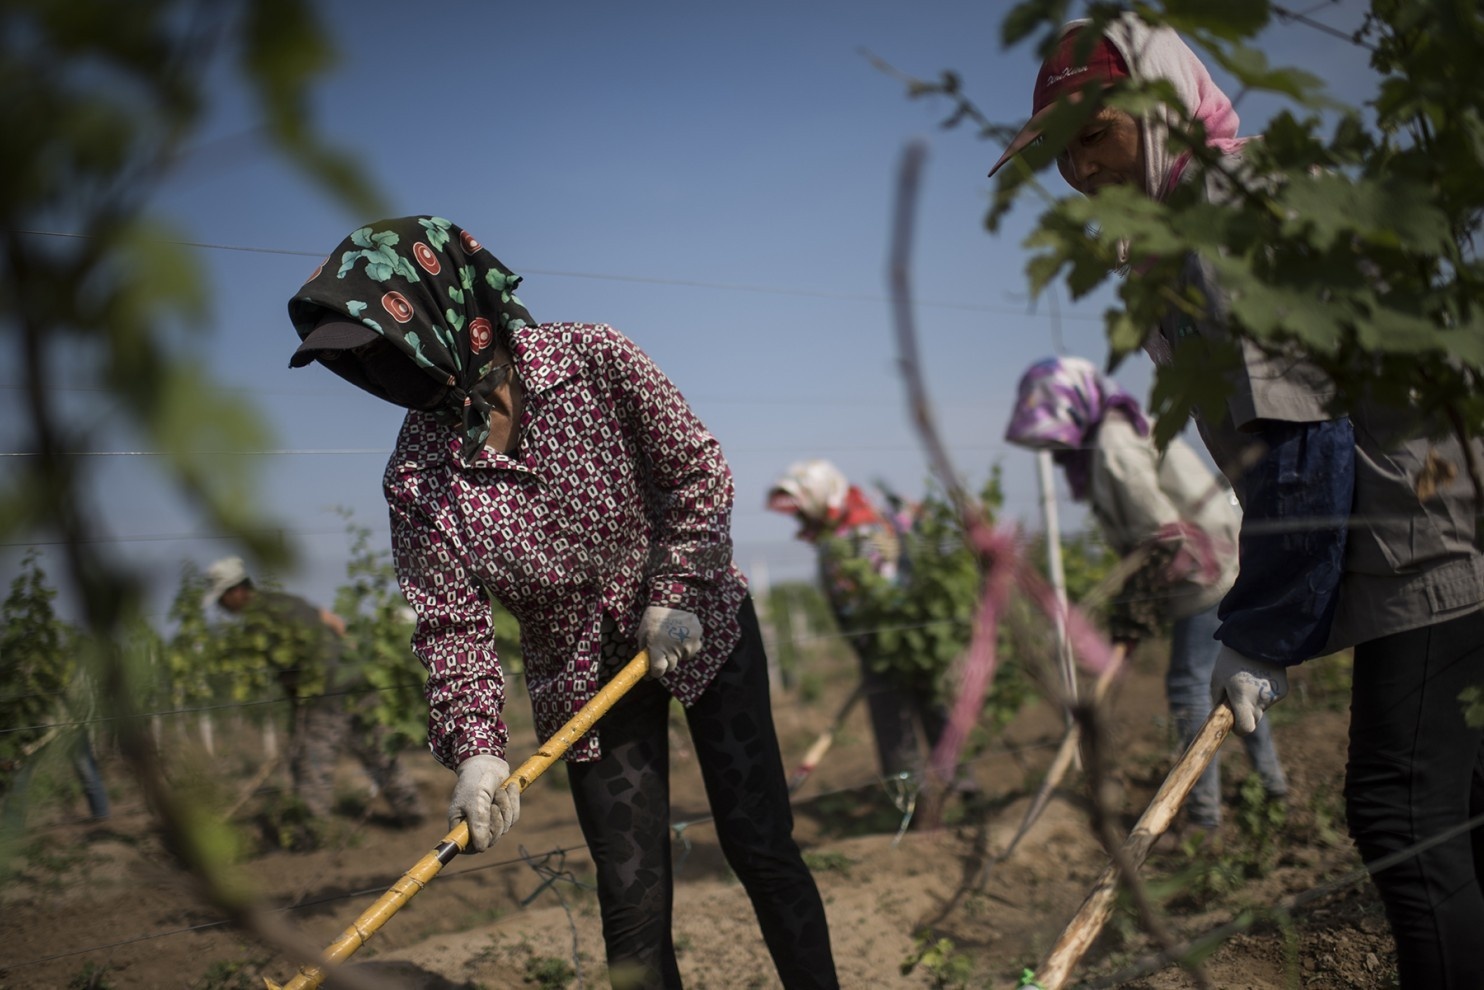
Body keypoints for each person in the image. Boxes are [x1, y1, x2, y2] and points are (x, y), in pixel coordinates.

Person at [990, 16, 1484, 987]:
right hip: (1434, 515)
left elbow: (1301, 440)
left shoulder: (1221, 210)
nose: (1080, 170)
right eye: (1059, 151)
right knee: (1457, 801)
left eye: (1094, 133)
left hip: (1433, 532)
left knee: (1401, 813)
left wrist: (1259, 629)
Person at [284, 215, 838, 990]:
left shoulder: (595, 360)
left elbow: (697, 472)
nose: (378, 374)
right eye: (361, 363)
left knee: (761, 847)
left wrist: (675, 590)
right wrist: (476, 749)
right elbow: (450, 628)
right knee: (632, 902)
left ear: (440, 307)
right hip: (583, 681)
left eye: (382, 347)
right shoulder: (416, 477)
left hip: (697, 626)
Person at [1003, 356, 1288, 835]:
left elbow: (1160, 537)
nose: (1051, 446)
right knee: (1234, 675)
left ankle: (1203, 814)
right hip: (1210, 561)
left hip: (1201, 569)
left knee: (1188, 684)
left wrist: (1139, 605)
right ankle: (1272, 784)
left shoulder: (1112, 444)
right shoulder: (1112, 434)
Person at [766, 459, 963, 790]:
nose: (799, 517)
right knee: (914, 716)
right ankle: (926, 796)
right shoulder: (838, 531)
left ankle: (942, 793)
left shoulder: (863, 528)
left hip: (901, 641)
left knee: (907, 719)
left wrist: (883, 642)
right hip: (880, 642)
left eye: (802, 507)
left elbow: (885, 592)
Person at [203, 556, 424, 826]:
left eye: (221, 599)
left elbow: (288, 667)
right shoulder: (286, 600)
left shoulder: (258, 621)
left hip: (324, 690)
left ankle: (312, 828)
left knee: (313, 759)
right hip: (356, 676)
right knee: (377, 747)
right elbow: (334, 622)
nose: (221, 607)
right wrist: (351, 661)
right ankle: (412, 812)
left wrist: (301, 699)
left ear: (235, 592)